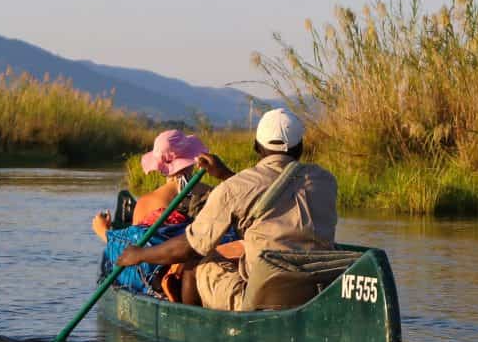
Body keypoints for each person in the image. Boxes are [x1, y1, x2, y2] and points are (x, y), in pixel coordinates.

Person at [117, 107, 338, 311]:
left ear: (256, 147)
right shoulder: (326, 182)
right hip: (314, 288)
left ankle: (194, 324)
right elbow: (273, 196)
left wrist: (140, 254)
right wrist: (224, 175)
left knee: (195, 265)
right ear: (300, 148)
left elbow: (190, 247)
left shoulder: (236, 188)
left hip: (261, 297)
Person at [90, 130, 213, 294]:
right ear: (191, 161)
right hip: (199, 275)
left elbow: (131, 252)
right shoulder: (214, 194)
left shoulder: (145, 203)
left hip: (157, 282)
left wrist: (103, 232)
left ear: (161, 168)